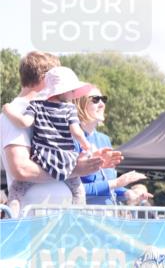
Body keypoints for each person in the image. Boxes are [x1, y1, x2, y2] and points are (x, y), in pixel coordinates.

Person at [1, 52, 119, 214]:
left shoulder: (54, 109)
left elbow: (65, 150)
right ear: (46, 78)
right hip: (33, 224)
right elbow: (21, 169)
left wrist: (92, 160)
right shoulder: (18, 111)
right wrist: (76, 169)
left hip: (56, 222)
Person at [2, 66, 97, 205]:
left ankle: (14, 214)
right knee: (78, 190)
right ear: (62, 91)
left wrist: (7, 109)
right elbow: (76, 132)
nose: (74, 94)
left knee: (17, 189)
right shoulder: (70, 109)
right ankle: (78, 215)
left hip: (42, 157)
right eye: (72, 90)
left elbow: (24, 122)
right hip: (65, 160)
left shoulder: (36, 105)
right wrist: (88, 147)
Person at [73, 88, 146, 205]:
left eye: (103, 99)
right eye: (95, 100)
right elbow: (75, 189)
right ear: (80, 104)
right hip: (84, 216)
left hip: (109, 215)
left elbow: (109, 184)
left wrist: (127, 194)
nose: (102, 104)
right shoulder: (72, 139)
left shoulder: (104, 139)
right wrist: (117, 183)